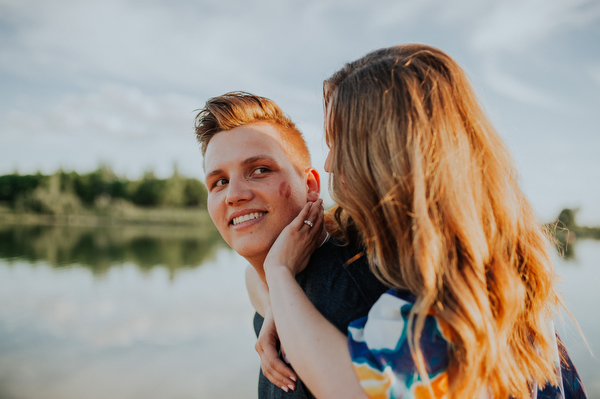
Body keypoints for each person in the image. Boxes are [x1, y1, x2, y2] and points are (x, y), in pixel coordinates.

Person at [258, 44, 588, 398]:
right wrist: (281, 298)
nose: (330, 164)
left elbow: (349, 389)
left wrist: (279, 274)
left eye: (339, 143)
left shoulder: (429, 312)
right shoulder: (501, 268)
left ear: (387, 158)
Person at [193, 92, 388, 398]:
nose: (234, 195)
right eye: (219, 181)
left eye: (260, 170)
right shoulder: (273, 285)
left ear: (311, 186)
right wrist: (275, 299)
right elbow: (254, 281)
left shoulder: (357, 288)